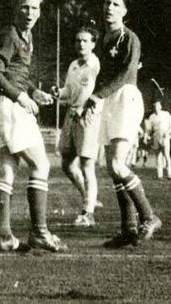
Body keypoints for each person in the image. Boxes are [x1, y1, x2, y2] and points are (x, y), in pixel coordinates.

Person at [0, 0, 65, 252]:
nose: (29, 13)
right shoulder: (10, 34)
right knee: (41, 165)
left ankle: (4, 236)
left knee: (7, 170)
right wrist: (21, 97)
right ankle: (39, 232)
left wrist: (33, 91)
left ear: (40, 12)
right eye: (24, 8)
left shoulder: (24, 37)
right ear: (16, 8)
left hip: (3, 106)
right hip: (10, 107)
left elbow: (14, 73)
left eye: (34, 9)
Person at [87, 0, 162, 248]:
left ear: (125, 11)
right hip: (108, 100)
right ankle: (129, 229)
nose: (110, 7)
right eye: (107, 2)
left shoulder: (130, 38)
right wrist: (90, 98)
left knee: (119, 165)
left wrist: (98, 96)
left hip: (125, 97)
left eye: (116, 4)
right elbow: (102, 76)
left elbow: (125, 74)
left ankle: (149, 217)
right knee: (111, 168)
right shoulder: (104, 39)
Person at [53, 27, 101, 227]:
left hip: (88, 117)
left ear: (93, 44)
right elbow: (69, 91)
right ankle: (89, 198)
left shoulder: (97, 65)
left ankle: (88, 213)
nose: (81, 44)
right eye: (78, 40)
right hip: (71, 116)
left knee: (87, 165)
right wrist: (58, 92)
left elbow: (101, 92)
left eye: (85, 40)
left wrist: (91, 110)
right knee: (66, 163)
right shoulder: (73, 65)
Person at [144, 101, 171, 180]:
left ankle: (169, 174)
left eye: (157, 106)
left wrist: (168, 132)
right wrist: (146, 137)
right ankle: (159, 174)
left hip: (165, 135)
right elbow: (148, 129)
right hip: (156, 136)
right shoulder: (152, 117)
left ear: (160, 107)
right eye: (154, 107)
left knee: (166, 155)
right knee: (158, 156)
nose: (156, 108)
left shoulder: (166, 114)